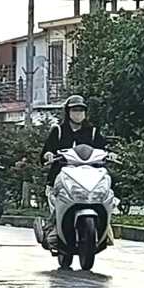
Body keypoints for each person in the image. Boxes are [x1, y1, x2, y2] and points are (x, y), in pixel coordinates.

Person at [40, 95, 108, 248]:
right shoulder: (58, 131)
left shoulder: (92, 131)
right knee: (56, 201)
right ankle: (52, 231)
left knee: (107, 195)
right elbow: (46, 152)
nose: (78, 113)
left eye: (81, 110)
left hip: (89, 176)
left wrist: (111, 154)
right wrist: (49, 155)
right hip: (62, 176)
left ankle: (106, 232)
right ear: (68, 112)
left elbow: (103, 149)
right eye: (74, 110)